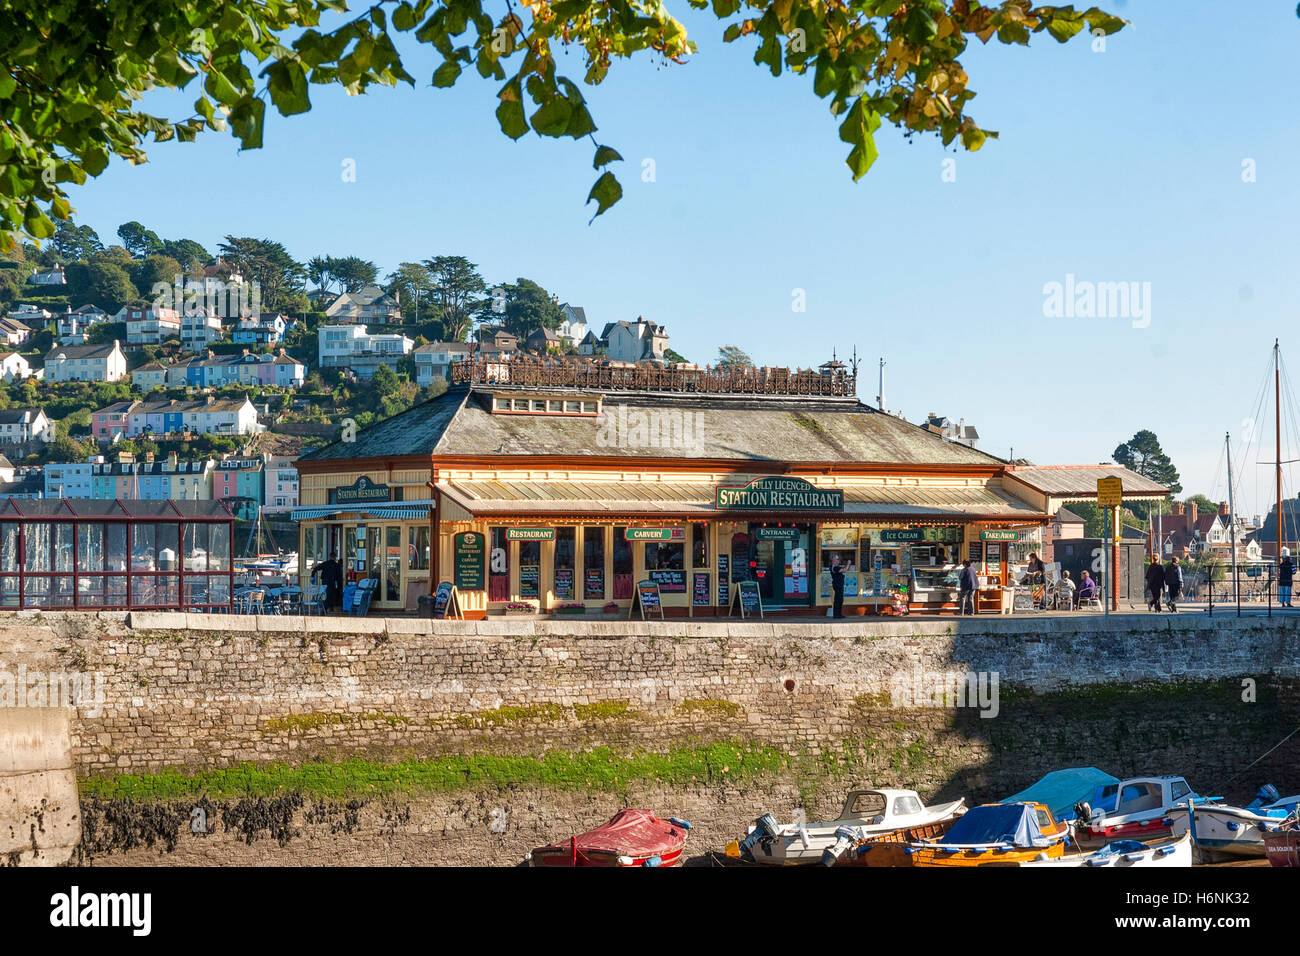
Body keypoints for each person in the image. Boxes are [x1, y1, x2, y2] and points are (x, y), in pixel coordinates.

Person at [830, 555, 845, 619]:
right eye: (837, 559)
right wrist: (849, 564)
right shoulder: (835, 568)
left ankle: (839, 614)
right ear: (834, 561)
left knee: (840, 600)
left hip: (838, 585)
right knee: (838, 600)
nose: (838, 560)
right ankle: (836, 615)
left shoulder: (835, 567)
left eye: (838, 559)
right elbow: (844, 570)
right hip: (837, 585)